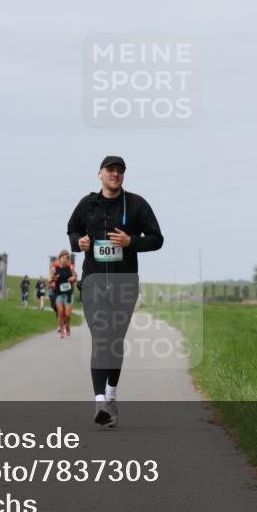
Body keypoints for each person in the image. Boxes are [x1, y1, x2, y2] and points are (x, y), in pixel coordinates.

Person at [67, 156, 163, 427]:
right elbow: (72, 230)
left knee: (114, 340)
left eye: (120, 171)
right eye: (111, 170)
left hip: (125, 282)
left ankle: (111, 395)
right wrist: (80, 242)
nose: (115, 174)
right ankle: (100, 403)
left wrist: (131, 241)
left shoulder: (136, 205)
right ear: (100, 174)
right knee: (101, 338)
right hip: (94, 280)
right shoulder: (87, 205)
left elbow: (157, 239)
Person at [50, 250, 78, 337]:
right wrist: (53, 278)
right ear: (59, 259)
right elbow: (50, 280)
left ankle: (68, 326)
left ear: (68, 260)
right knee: (61, 312)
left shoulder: (70, 268)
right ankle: (62, 331)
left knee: (68, 314)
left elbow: (75, 278)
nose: (64, 260)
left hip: (68, 293)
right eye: (63, 258)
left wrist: (73, 279)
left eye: (66, 258)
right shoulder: (55, 269)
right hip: (58, 293)